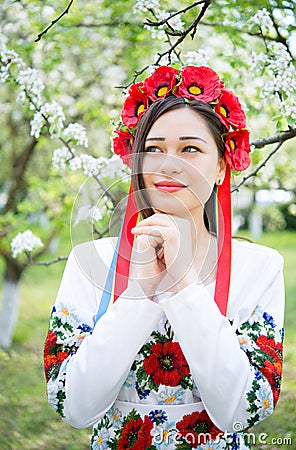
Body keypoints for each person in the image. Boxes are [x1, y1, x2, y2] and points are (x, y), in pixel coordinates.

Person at [44, 65, 285, 450]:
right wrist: (139, 291)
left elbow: (243, 410)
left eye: (190, 148)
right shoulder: (89, 260)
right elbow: (73, 406)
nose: (168, 164)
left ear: (222, 166)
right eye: (153, 149)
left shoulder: (259, 267)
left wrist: (185, 285)